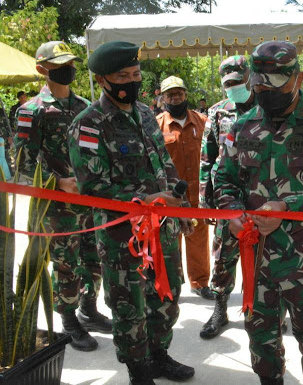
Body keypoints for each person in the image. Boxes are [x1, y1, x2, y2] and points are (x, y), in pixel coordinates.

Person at [213, 41, 303, 385]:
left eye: (275, 84)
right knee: (261, 340)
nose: (266, 92)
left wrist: (287, 209)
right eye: (259, 85)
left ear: (299, 78)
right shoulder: (241, 126)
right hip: (257, 259)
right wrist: (231, 214)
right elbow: (225, 180)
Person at [68, 41, 195, 384]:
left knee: (166, 295)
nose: (130, 81)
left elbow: (163, 163)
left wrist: (176, 204)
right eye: (122, 75)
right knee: (129, 305)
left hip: (162, 228)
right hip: (122, 235)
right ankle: (139, 371)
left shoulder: (144, 113)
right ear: (104, 79)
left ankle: (159, 355)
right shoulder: (90, 124)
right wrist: (152, 197)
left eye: (135, 74)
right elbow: (93, 187)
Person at [15, 41, 111, 351]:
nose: (66, 69)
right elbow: (24, 166)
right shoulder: (31, 111)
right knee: (67, 263)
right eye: (58, 66)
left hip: (89, 200)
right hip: (57, 206)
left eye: (69, 63)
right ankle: (69, 320)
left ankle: (89, 309)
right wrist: (59, 183)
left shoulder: (85, 106)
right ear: (42, 70)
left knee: (95, 257)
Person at [199, 55, 258, 339]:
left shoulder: (268, 106)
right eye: (228, 83)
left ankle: (259, 309)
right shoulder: (218, 112)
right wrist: (204, 196)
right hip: (227, 195)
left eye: (237, 81)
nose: (233, 87)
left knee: (262, 254)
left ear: (249, 78)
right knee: (223, 255)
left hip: (260, 196)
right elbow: (207, 156)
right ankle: (220, 310)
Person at [156, 76, 211, 299]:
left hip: (197, 194)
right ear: (162, 98)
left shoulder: (203, 122)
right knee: (170, 241)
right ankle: (172, 283)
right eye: (170, 94)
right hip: (170, 197)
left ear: (185, 95)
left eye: (179, 93)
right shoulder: (157, 125)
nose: (175, 97)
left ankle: (200, 283)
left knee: (198, 240)